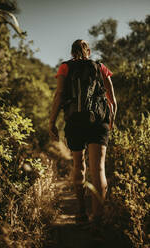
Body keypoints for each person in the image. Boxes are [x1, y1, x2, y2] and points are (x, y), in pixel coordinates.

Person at [49, 39, 117, 224]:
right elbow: (112, 100)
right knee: (99, 169)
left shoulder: (65, 68)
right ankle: (98, 218)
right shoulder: (100, 67)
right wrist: (111, 120)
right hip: (99, 122)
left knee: (78, 165)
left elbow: (60, 95)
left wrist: (52, 121)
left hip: (75, 121)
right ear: (88, 51)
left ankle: (81, 212)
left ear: (72, 52)